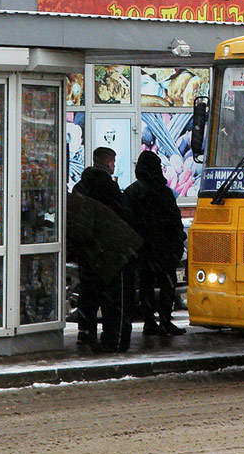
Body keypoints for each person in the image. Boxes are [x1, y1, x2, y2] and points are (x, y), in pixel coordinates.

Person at [70, 147, 140, 352]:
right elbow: (123, 218)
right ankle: (114, 340)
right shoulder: (110, 189)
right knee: (115, 299)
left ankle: (86, 332)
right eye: (113, 163)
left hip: (89, 251)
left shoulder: (81, 187)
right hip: (111, 252)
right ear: (109, 163)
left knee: (88, 294)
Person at [125, 151, 187, 337]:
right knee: (167, 285)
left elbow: (127, 221)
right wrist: (177, 242)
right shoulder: (164, 192)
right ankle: (166, 321)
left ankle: (149, 321)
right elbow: (174, 220)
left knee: (146, 286)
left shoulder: (131, 192)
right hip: (164, 249)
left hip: (143, 249)